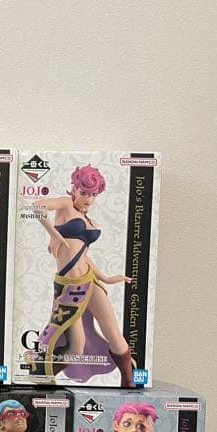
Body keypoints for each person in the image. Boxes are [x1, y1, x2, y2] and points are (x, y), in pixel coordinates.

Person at [31, 165, 134, 385]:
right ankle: (42, 374)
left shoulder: (87, 218)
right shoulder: (65, 204)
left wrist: (106, 278)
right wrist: (54, 234)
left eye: (94, 194)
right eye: (84, 192)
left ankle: (129, 381)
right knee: (76, 347)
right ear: (75, 188)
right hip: (69, 288)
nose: (89, 199)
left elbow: (83, 256)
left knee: (115, 335)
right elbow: (37, 206)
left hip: (89, 280)